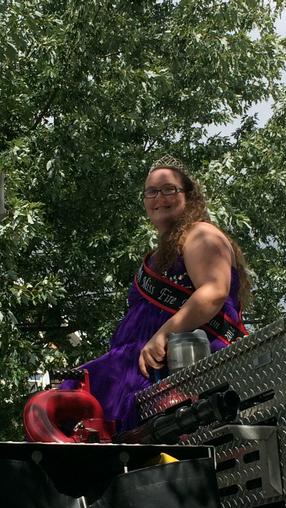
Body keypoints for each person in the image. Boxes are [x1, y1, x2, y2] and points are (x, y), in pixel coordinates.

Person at [63, 155, 250, 432]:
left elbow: (214, 291)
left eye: (169, 189)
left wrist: (162, 335)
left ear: (189, 196)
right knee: (70, 400)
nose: (159, 197)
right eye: (151, 191)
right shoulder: (157, 254)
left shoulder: (200, 234)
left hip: (183, 362)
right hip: (138, 366)